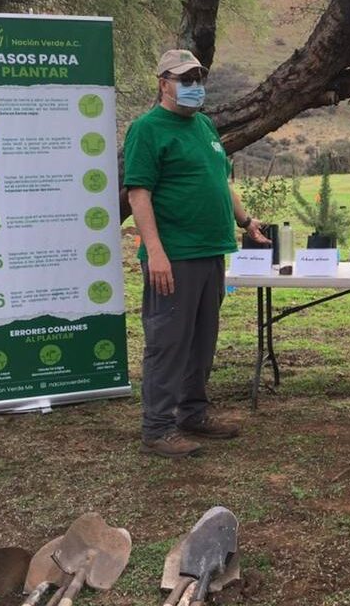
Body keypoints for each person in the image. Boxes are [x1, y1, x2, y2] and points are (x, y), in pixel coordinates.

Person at [123, 49, 269, 458]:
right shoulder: (147, 129)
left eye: (199, 79)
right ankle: (157, 429)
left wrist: (246, 221)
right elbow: (138, 193)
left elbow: (220, 181)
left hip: (210, 253)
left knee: (201, 341)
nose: (194, 87)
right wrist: (155, 251)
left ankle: (192, 413)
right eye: (185, 80)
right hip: (174, 256)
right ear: (163, 83)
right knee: (168, 341)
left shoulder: (204, 126)